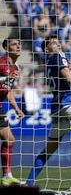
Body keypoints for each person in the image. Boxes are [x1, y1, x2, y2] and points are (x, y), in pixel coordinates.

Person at [26, 37, 71, 186]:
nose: (58, 44)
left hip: (57, 109)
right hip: (70, 104)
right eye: (53, 42)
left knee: (48, 150)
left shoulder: (49, 63)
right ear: (46, 49)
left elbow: (68, 82)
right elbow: (70, 81)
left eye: (58, 42)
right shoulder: (58, 55)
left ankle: (28, 183)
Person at [0, 36, 25, 186]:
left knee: (9, 139)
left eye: (19, 44)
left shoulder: (16, 67)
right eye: (14, 44)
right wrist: (5, 78)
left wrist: (16, 108)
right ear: (6, 48)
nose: (18, 47)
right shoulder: (1, 63)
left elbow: (8, 90)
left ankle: (7, 176)